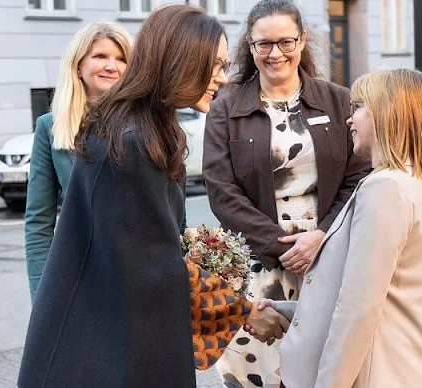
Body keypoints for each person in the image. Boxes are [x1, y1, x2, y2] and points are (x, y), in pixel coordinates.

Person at [18, 6, 287, 387]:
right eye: (213, 65)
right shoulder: (132, 139)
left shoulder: (143, 128)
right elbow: (152, 265)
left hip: (111, 339)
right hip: (104, 350)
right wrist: (241, 310)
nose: (222, 78)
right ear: (179, 58)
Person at [202, 0, 370, 385]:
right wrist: (284, 245)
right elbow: (221, 191)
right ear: (250, 46)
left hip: (328, 256)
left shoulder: (337, 99)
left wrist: (321, 237)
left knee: (326, 371)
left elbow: (358, 177)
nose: (275, 53)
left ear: (302, 40)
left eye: (285, 42)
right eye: (264, 44)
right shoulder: (226, 108)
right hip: (259, 262)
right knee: (257, 372)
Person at [248, 68, 422, 387]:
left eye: (358, 107)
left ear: (387, 113)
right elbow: (371, 294)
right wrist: (287, 309)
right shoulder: (404, 183)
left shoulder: (386, 188)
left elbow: (359, 308)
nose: (349, 119)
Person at [24, 22, 132, 302]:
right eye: (100, 56)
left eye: (121, 59)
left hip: (135, 274)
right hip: (78, 276)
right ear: (78, 65)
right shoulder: (50, 127)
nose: (112, 66)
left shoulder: (143, 124)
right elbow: (39, 222)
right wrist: (41, 295)